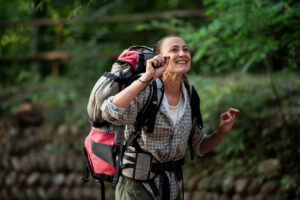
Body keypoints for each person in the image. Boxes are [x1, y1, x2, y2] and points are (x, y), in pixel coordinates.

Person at [101, 35, 240, 200]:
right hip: (136, 188)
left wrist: (221, 132)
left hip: (173, 187)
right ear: (159, 58)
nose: (182, 53)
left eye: (185, 49)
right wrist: (146, 78)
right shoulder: (146, 88)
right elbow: (110, 111)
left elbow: (199, 147)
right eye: (174, 50)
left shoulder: (190, 94)